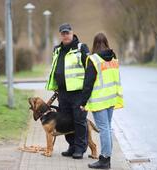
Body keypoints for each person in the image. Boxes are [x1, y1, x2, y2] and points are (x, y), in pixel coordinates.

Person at [79, 33, 124, 169]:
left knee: (104, 129)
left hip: (99, 100)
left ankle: (104, 159)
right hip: (111, 98)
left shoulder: (93, 59)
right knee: (107, 128)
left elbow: (88, 83)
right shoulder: (113, 57)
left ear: (94, 44)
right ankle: (106, 158)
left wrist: (83, 102)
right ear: (106, 43)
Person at [45, 23, 90, 159]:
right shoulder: (57, 50)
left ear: (72, 33)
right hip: (63, 93)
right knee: (65, 121)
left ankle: (80, 149)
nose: (65, 35)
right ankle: (71, 146)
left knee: (79, 120)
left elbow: (89, 69)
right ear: (61, 35)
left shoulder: (81, 48)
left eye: (67, 33)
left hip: (78, 93)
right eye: (63, 33)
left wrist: (87, 91)